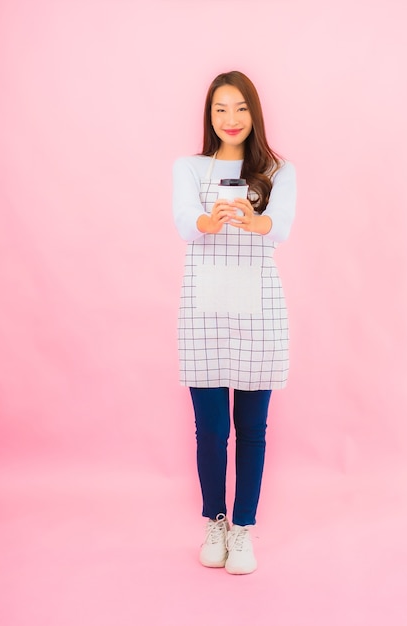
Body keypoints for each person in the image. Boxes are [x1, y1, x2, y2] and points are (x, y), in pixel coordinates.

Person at [172, 70, 296, 575]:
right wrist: (210, 219)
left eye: (240, 108)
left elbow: (281, 228)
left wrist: (254, 220)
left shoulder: (277, 169)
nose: (231, 119)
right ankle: (215, 521)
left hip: (258, 307)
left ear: (254, 113)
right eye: (221, 109)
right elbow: (185, 222)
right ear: (209, 115)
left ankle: (243, 528)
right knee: (209, 430)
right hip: (202, 308)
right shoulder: (188, 167)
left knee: (252, 429)